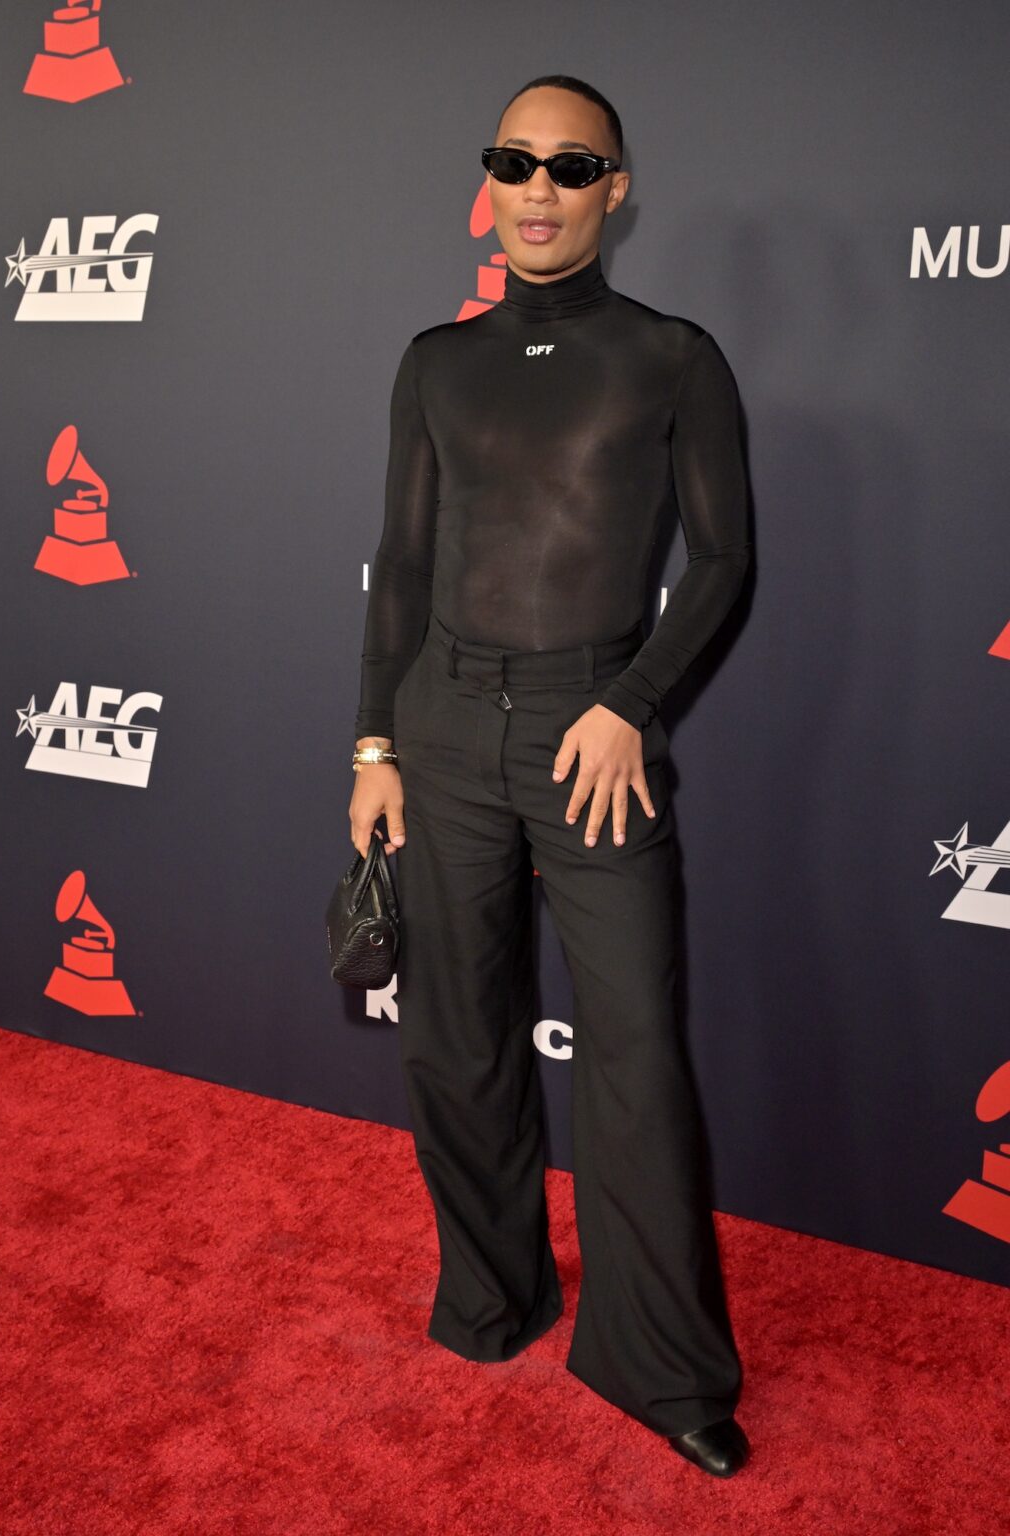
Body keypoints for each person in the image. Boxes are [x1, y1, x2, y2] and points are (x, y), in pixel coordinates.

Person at [349, 74, 753, 1479]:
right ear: (492, 179)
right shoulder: (434, 361)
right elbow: (401, 567)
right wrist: (373, 745)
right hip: (445, 725)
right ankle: (492, 1293)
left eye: (570, 165)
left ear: (615, 190)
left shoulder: (674, 358)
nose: (538, 187)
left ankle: (659, 1363)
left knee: (633, 1050)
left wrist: (633, 704)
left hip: (595, 740)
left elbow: (725, 564)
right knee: (456, 1041)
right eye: (513, 160)